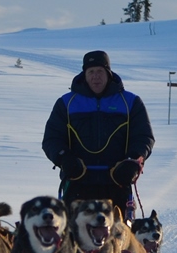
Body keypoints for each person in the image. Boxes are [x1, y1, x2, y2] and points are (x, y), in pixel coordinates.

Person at [42, 50, 155, 219]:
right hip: (77, 181)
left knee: (117, 233)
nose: (96, 77)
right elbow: (52, 138)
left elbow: (143, 137)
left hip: (117, 181)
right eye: (91, 72)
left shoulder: (130, 102)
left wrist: (132, 161)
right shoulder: (66, 103)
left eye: (100, 71)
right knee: (74, 233)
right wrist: (64, 158)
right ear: (84, 74)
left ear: (108, 73)